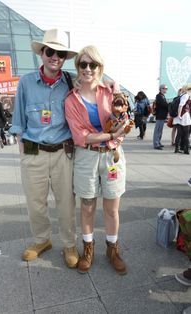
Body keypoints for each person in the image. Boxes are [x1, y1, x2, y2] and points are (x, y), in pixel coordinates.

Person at [9, 28, 79, 268]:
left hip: (63, 152)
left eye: (60, 53)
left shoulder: (71, 81)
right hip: (32, 149)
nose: (55, 57)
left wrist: (112, 89)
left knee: (66, 203)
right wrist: (23, 151)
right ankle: (42, 240)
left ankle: (69, 243)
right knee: (35, 202)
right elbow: (18, 120)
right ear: (42, 53)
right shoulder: (27, 82)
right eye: (50, 51)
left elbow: (94, 89)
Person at [65, 45, 130, 275]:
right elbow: (80, 136)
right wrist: (111, 135)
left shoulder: (110, 92)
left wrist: (119, 92)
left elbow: (124, 119)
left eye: (93, 64)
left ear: (100, 67)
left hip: (112, 156)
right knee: (87, 207)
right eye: (83, 64)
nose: (88, 69)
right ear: (78, 67)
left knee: (112, 208)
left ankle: (112, 249)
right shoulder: (71, 100)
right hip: (86, 157)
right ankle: (88, 249)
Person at [173, 83, 191, 154]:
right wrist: (180, 115)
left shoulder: (182, 95)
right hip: (184, 116)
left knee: (179, 133)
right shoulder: (186, 95)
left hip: (180, 116)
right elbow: (181, 105)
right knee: (186, 134)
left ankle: (177, 149)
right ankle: (186, 150)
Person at [153, 84, 168, 150]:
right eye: (164, 88)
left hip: (162, 116)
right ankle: (156, 144)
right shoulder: (159, 96)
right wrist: (170, 104)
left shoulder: (162, 96)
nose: (165, 89)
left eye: (166, 88)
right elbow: (164, 104)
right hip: (159, 115)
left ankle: (158, 142)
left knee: (160, 130)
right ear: (161, 89)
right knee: (158, 130)